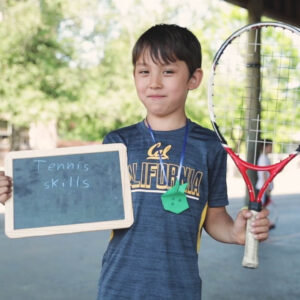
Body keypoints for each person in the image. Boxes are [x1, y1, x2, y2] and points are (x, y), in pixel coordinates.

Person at [0, 24, 270, 299]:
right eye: (144, 72)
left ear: (194, 78)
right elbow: (72, 197)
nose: (154, 82)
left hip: (179, 290)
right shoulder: (118, 142)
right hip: (118, 288)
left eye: (168, 71)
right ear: (134, 77)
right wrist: (14, 190)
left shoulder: (209, 145)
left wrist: (236, 233)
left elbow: (214, 219)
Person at [256, 139, 276, 229]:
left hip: (264, 187)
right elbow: (263, 173)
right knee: (262, 206)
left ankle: (265, 223)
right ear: (265, 147)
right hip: (263, 187)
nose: (271, 148)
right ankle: (262, 224)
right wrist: (266, 187)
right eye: (270, 146)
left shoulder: (265, 157)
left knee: (264, 206)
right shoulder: (263, 158)